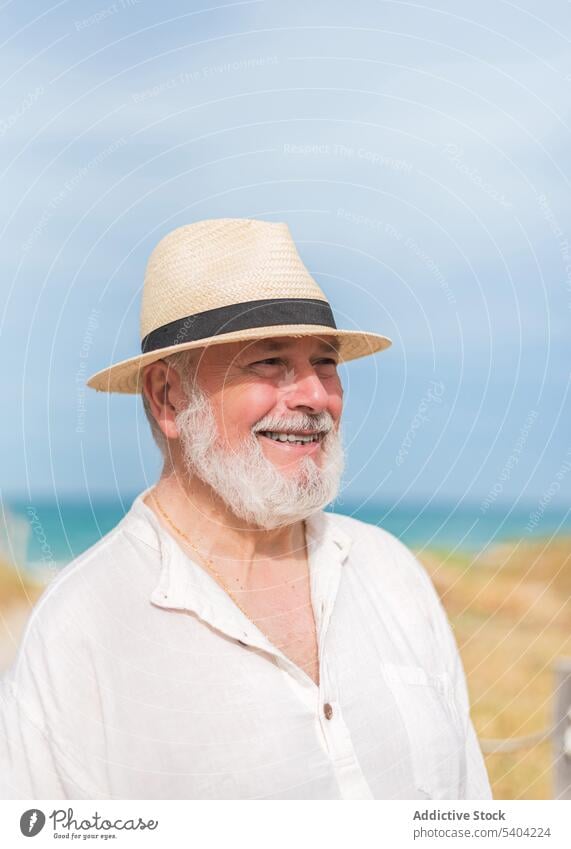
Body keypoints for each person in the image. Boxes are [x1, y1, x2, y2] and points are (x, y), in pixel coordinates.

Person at [0, 218, 491, 799]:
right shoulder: (83, 629)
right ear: (168, 397)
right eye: (269, 362)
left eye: (325, 362)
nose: (315, 395)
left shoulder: (391, 573)